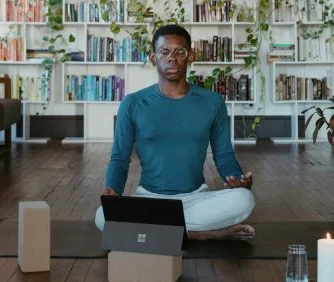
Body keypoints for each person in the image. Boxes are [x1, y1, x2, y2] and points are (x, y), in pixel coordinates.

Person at [94, 24, 256, 241]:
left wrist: (238, 180)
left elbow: (224, 155)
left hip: (196, 198)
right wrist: (113, 189)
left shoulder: (213, 103)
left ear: (190, 57)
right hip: (149, 199)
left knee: (244, 199)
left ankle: (160, 232)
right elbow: (120, 158)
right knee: (102, 216)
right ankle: (199, 235)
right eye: (165, 52)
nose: (172, 58)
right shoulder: (132, 103)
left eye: (180, 52)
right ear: (153, 57)